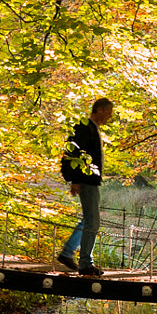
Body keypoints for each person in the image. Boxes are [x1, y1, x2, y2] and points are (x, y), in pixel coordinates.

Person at [56, 98, 113, 274]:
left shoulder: (93, 129)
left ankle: (67, 253)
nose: (110, 117)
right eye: (109, 112)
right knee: (92, 222)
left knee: (89, 220)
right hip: (87, 181)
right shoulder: (84, 127)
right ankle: (85, 264)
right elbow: (73, 153)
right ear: (100, 110)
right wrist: (75, 180)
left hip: (91, 181)